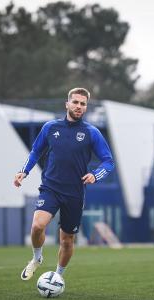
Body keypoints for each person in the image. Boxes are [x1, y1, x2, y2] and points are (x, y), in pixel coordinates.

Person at [13, 87, 115, 281]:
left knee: (67, 241)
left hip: (75, 193)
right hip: (51, 187)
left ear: (86, 108)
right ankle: (36, 258)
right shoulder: (50, 128)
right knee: (37, 226)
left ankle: (57, 277)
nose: (78, 106)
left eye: (82, 104)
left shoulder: (91, 133)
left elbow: (108, 161)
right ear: (67, 104)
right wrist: (23, 172)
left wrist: (95, 175)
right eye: (75, 102)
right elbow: (35, 151)